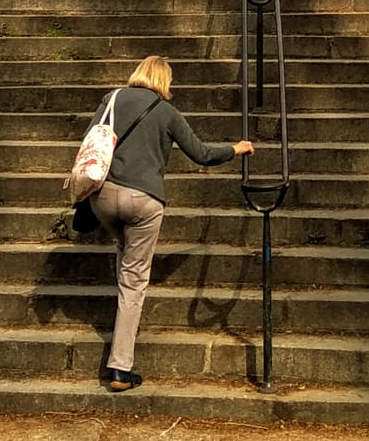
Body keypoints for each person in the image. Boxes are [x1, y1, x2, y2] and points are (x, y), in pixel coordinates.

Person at [83, 53, 253, 392]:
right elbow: (201, 153)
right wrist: (236, 149)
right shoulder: (166, 112)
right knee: (134, 280)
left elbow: (91, 140)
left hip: (103, 196)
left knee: (125, 252)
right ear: (164, 80)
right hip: (144, 201)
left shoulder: (112, 99)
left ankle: (122, 329)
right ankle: (119, 368)